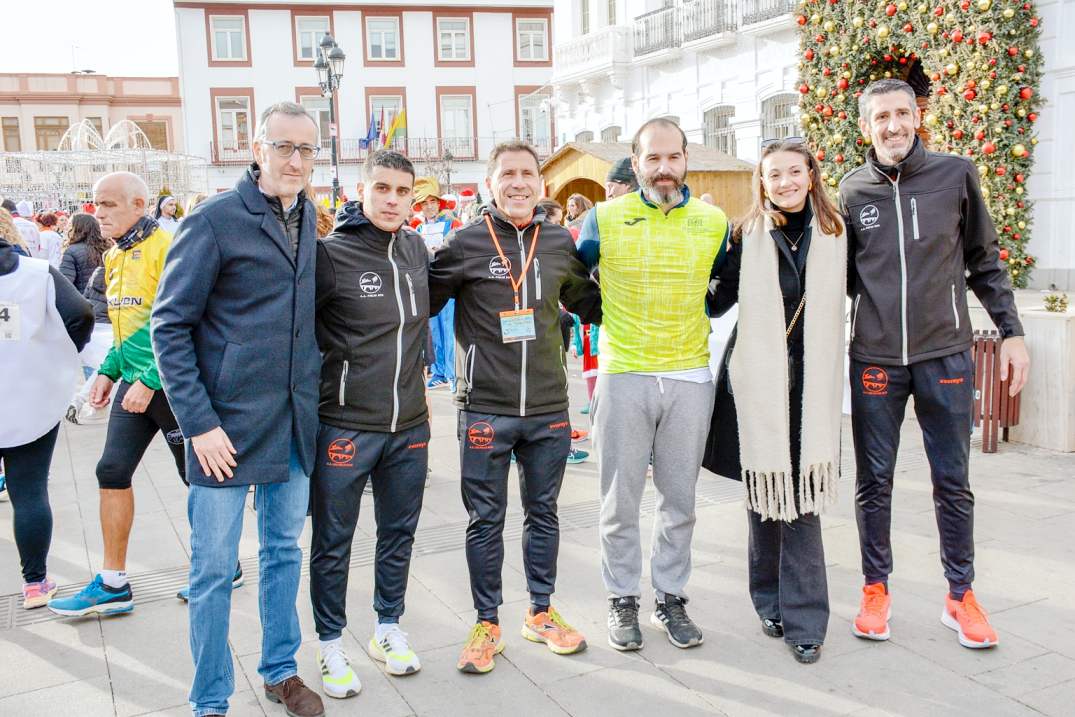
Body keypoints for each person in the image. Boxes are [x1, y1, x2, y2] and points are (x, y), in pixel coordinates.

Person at [840, 79, 1029, 650]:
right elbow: (840, 281)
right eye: (881, 118)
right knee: (874, 481)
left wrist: (1013, 332)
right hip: (874, 358)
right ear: (865, 127)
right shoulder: (851, 191)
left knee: (954, 481)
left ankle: (960, 595)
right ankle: (876, 588)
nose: (893, 125)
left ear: (917, 117)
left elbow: (984, 262)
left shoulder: (956, 174)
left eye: (902, 113)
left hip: (945, 352)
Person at [151, 101, 324, 717]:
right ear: (256, 149)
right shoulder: (215, 220)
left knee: (283, 554)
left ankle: (280, 670)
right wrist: (198, 424)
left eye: (307, 149)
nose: (296, 160)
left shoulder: (311, 218)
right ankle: (210, 698)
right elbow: (168, 327)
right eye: (284, 147)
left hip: (294, 427)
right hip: (222, 429)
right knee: (214, 569)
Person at [429, 141, 602, 674]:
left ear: (542, 185)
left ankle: (541, 612)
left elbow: (590, 303)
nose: (520, 182)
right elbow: (417, 302)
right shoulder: (463, 243)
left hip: (549, 407)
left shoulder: (556, 242)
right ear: (490, 182)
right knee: (486, 519)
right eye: (508, 174)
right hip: (485, 407)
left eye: (528, 173)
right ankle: (486, 622)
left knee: (543, 514)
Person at [577, 118, 730, 651]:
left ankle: (670, 595)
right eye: (652, 159)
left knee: (680, 500)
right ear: (636, 163)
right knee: (620, 501)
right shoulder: (603, 217)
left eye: (673, 157)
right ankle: (622, 599)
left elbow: (723, 287)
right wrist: (607, 315)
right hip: (624, 373)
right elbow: (575, 280)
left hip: (690, 374)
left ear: (686, 159)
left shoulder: (714, 222)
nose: (664, 168)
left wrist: (703, 310)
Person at [703, 138, 847, 664]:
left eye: (793, 172)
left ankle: (806, 618)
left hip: (812, 380)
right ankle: (769, 599)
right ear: (760, 183)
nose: (783, 182)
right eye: (773, 175)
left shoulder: (836, 233)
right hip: (756, 380)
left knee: (801, 500)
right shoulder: (745, 236)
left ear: (810, 175)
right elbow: (716, 301)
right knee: (763, 492)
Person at [310, 150, 430, 698]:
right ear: (363, 190)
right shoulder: (330, 256)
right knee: (334, 540)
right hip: (346, 426)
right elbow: (296, 337)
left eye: (402, 191)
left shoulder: (413, 248)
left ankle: (387, 627)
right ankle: (330, 643)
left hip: (409, 425)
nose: (391, 199)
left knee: (398, 533)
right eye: (381, 188)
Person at [47, 173, 188, 619]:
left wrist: (149, 378)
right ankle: (113, 582)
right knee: (111, 469)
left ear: (139, 204)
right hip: (135, 382)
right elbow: (128, 327)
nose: (99, 212)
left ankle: (220, 566)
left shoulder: (167, 247)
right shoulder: (114, 255)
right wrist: (108, 372)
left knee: (199, 481)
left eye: (109, 204)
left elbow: (181, 320)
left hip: (172, 383)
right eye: (95, 204)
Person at [0, 224, 93, 607]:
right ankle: (35, 584)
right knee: (30, 492)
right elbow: (82, 314)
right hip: (29, 397)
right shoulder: (37, 273)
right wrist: (59, 351)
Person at [60, 213, 115, 424]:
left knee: (96, 363)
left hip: (88, 311)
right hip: (113, 311)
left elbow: (65, 284)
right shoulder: (109, 249)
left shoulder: (72, 252)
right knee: (108, 362)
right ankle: (96, 400)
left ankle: (92, 401)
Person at [413, 176, 461, 391]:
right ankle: (440, 371)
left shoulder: (452, 224)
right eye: (425, 203)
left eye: (432, 202)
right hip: (428, 284)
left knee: (449, 329)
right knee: (435, 331)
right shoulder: (417, 230)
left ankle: (452, 374)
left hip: (448, 284)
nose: (429, 206)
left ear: (439, 204)